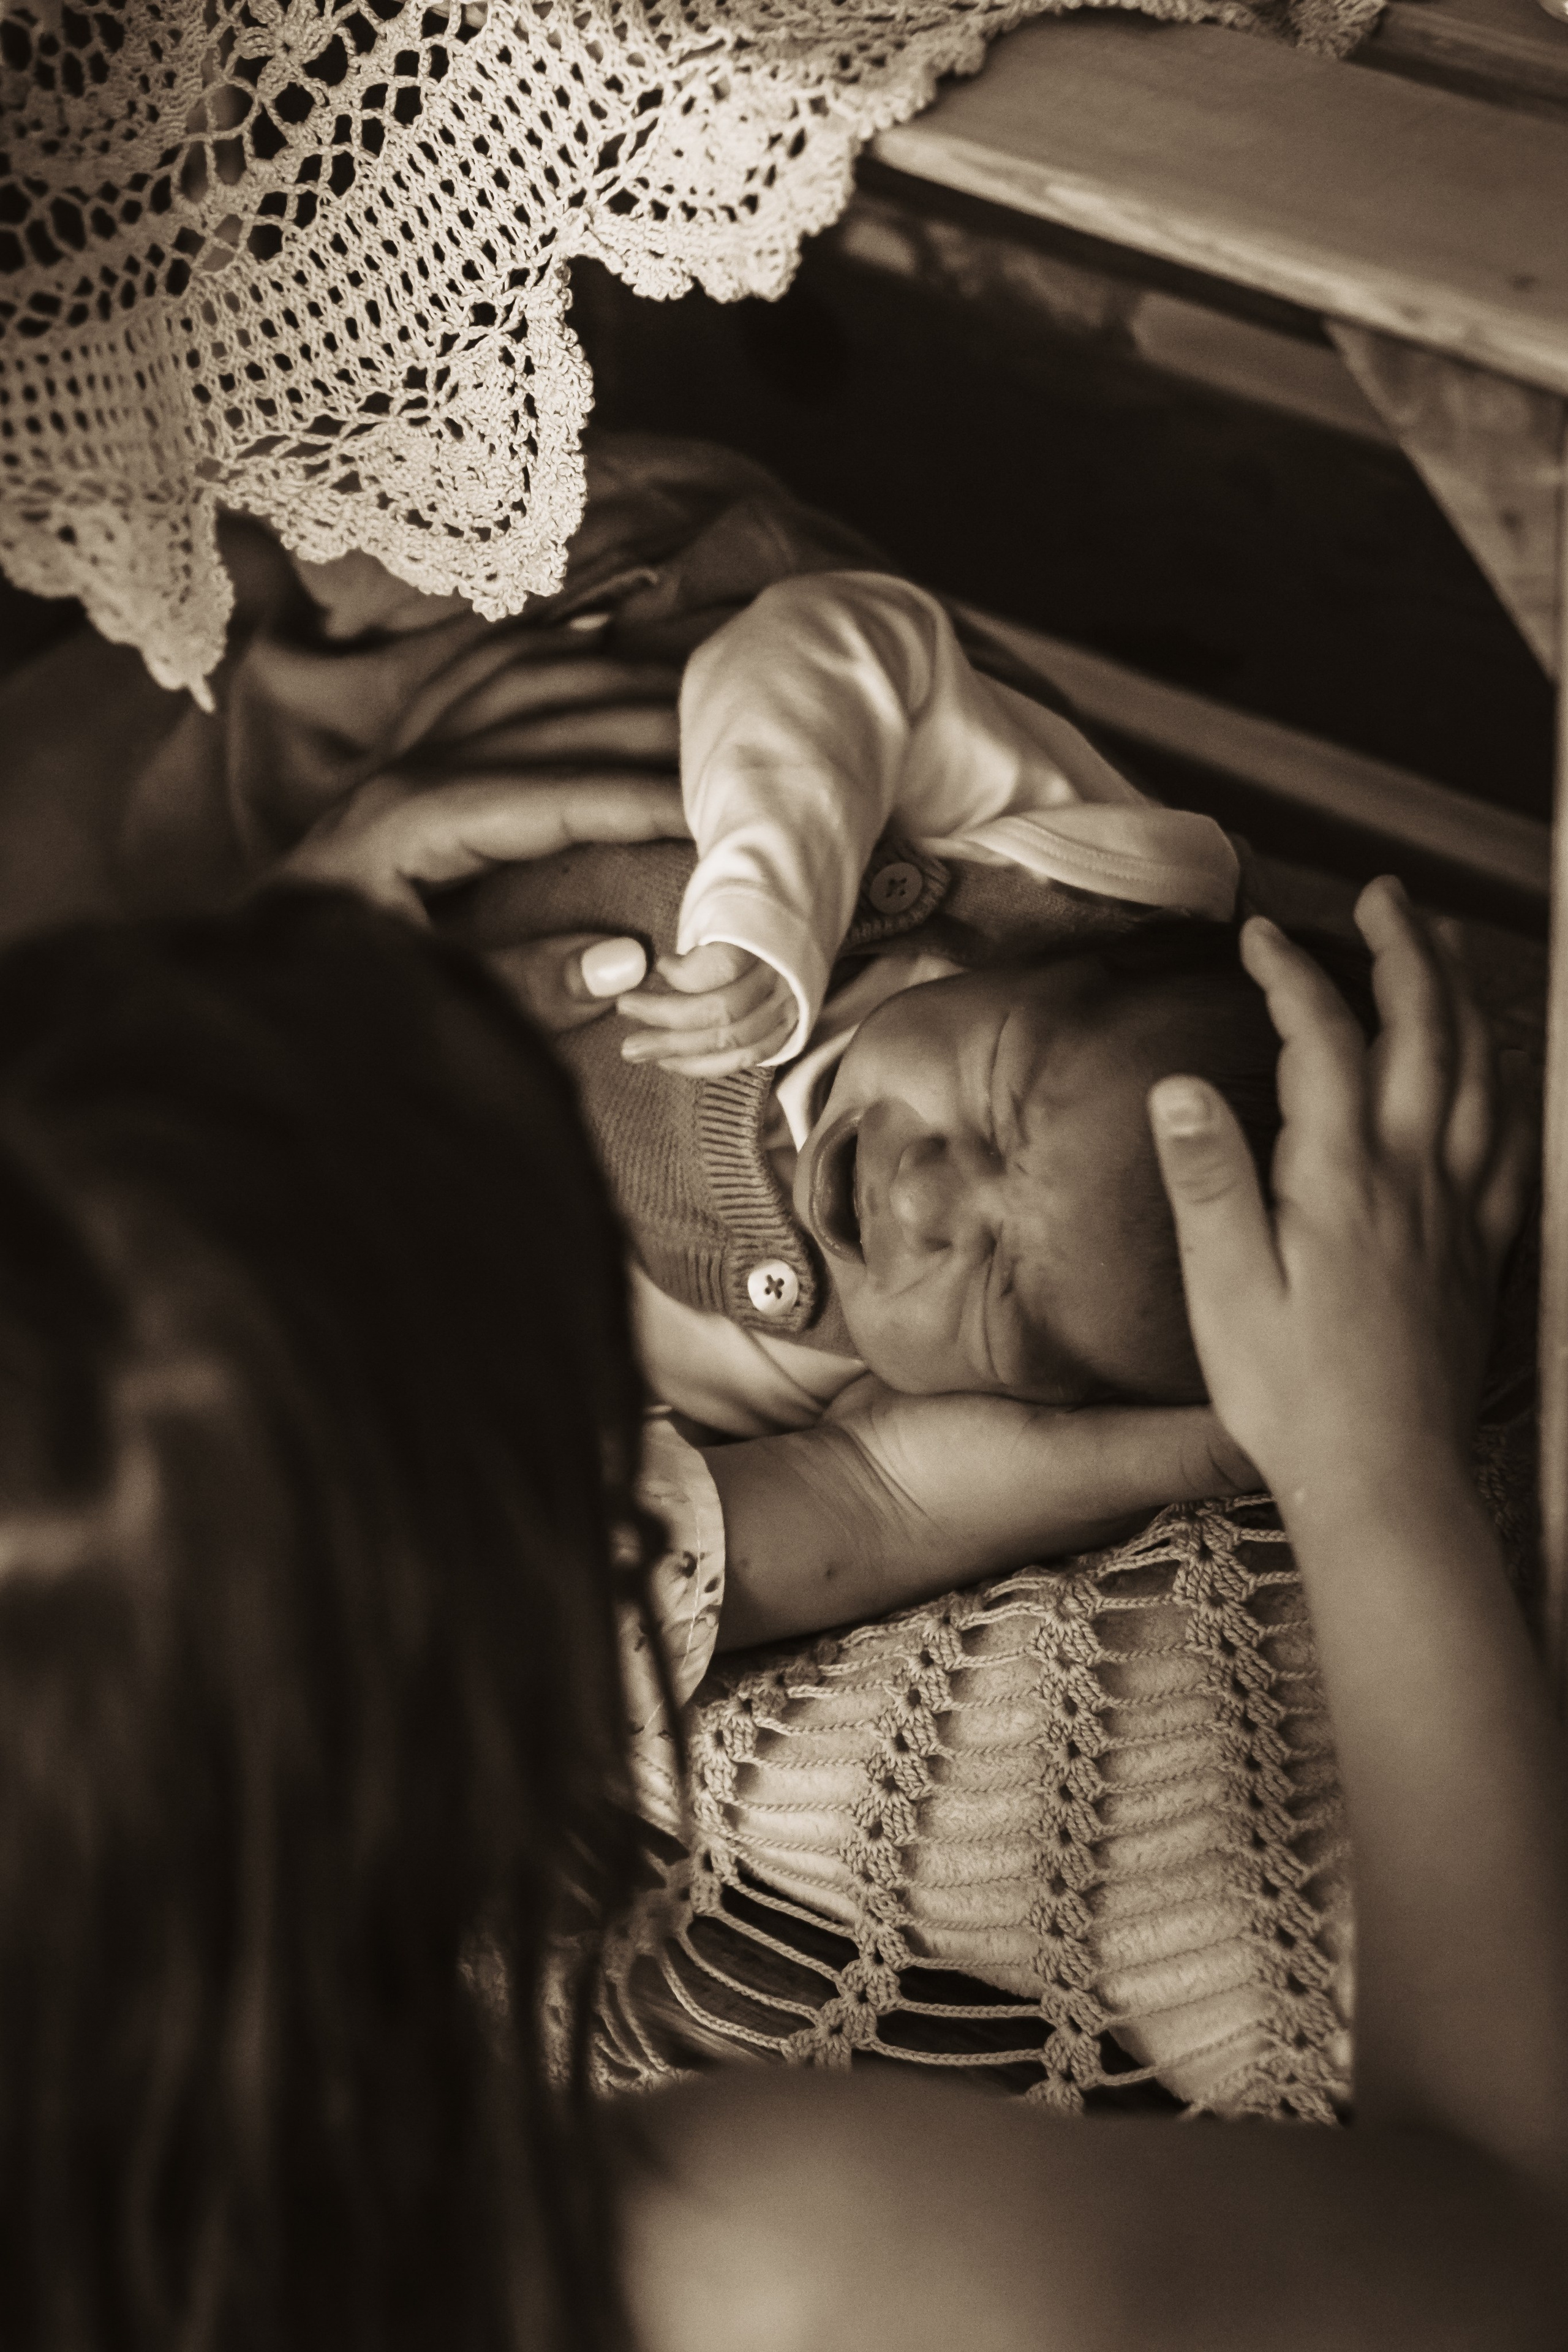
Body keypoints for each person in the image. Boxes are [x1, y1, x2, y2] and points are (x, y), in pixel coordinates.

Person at [0, 872, 1560, 2351]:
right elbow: (1514, 2243)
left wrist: (1231, 1437)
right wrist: (1369, 1464)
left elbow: (849, 1494)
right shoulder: (728, 2258)